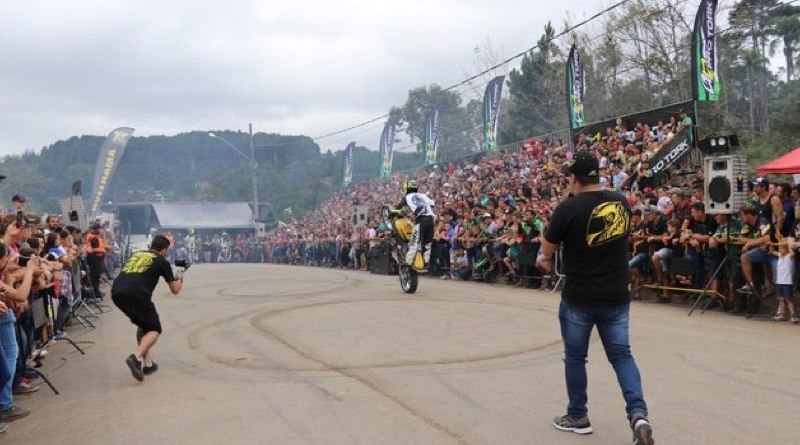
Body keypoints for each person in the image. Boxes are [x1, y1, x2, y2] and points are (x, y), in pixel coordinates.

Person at [536, 152, 654, 445]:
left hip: (580, 296)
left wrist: (544, 257)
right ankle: (638, 415)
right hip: (616, 293)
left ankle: (578, 415)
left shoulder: (568, 209)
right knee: (622, 355)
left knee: (576, 357)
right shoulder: (620, 202)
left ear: (574, 177)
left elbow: (546, 252)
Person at [111, 235, 184, 382]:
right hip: (137, 294)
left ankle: (148, 365)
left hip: (117, 293)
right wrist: (180, 276)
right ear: (164, 250)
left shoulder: (136, 254)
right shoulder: (162, 261)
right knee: (154, 329)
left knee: (144, 325)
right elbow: (175, 289)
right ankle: (136, 358)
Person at [398, 180, 436, 269]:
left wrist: (393, 211)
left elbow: (398, 207)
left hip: (421, 220)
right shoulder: (423, 195)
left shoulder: (407, 197)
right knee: (427, 243)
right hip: (431, 219)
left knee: (414, 241)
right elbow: (432, 204)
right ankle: (426, 262)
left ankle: (408, 263)